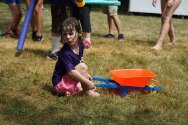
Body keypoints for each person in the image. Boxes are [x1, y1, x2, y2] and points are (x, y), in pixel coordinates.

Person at [52, 17, 100, 97]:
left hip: (67, 79)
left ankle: (71, 93)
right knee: (83, 70)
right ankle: (87, 92)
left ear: (79, 33)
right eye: (64, 34)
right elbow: (72, 72)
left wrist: (86, 75)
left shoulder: (80, 45)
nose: (67, 37)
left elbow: (79, 61)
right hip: (59, 83)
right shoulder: (65, 52)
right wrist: (88, 82)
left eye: (70, 33)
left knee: (83, 72)